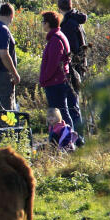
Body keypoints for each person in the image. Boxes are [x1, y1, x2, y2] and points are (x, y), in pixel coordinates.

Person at [38, 11, 84, 146]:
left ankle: (72, 142)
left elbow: (53, 64)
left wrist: (44, 79)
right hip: (58, 82)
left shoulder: (56, 39)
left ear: (48, 23)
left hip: (55, 83)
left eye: (43, 22)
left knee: (60, 116)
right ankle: (73, 142)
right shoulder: (58, 36)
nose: (42, 25)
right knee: (64, 114)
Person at [0, 3, 20, 109]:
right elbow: (4, 54)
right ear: (11, 15)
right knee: (6, 110)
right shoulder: (3, 29)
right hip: (3, 75)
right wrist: (15, 74)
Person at [58, 0, 88, 80]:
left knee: (74, 92)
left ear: (59, 8)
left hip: (75, 66)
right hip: (81, 63)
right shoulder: (76, 19)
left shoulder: (68, 24)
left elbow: (72, 49)